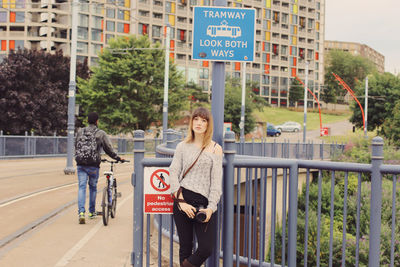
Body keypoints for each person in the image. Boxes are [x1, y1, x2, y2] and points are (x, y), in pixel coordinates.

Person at [169, 107, 223, 267]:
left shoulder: (215, 149)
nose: (199, 123)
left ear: (208, 125)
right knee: (185, 247)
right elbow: (173, 172)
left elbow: (216, 182)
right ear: (191, 122)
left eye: (204, 120)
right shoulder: (182, 146)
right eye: (196, 119)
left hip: (203, 205)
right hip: (182, 200)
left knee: (206, 248)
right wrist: (182, 203)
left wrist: (211, 208)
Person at [75, 112, 123, 224]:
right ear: (97, 121)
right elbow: (108, 149)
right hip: (93, 165)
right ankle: (91, 212)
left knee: (81, 187)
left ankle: (81, 213)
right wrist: (117, 157)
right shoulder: (100, 133)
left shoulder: (80, 131)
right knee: (92, 188)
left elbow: (76, 146)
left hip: (81, 164)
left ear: (87, 120)